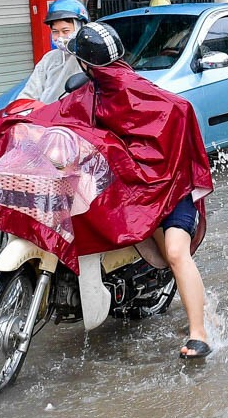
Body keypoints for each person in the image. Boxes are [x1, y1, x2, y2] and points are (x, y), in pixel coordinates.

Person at [68, 22, 214, 358]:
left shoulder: (147, 94)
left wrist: (157, 171)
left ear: (87, 65)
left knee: (176, 252)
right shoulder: (89, 94)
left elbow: (181, 116)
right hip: (134, 197)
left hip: (173, 189)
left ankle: (199, 332)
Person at [11, 0, 90, 105]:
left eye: (65, 31)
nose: (60, 36)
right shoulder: (49, 58)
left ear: (80, 27)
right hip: (45, 117)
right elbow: (29, 93)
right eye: (55, 32)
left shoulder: (90, 58)